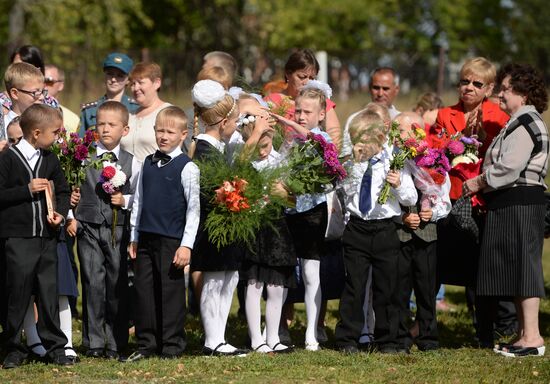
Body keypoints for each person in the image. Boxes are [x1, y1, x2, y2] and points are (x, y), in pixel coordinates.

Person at [465, 63, 548, 357]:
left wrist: (479, 182)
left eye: (505, 89)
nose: (500, 94)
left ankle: (534, 338)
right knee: (516, 269)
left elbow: (510, 168)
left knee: (525, 269)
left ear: (523, 94)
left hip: (522, 202)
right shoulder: (517, 122)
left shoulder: (526, 123)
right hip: (511, 203)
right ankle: (524, 334)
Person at [334, 109, 417, 354]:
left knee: (387, 287)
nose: (358, 144)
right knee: (354, 286)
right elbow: (344, 192)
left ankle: (389, 340)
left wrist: (398, 184)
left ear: (380, 138)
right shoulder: (352, 163)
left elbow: (410, 196)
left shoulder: (395, 161)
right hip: (358, 228)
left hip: (385, 229)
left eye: (362, 139)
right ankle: (348, 337)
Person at [123, 106, 199, 361]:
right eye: (160, 130)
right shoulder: (147, 162)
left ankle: (172, 344)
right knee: (144, 291)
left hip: (171, 240)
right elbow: (140, 200)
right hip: (145, 236)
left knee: (170, 293)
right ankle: (146, 343)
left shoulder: (187, 167)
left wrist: (186, 245)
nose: (164, 136)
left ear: (183, 134)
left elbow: (194, 211)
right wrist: (134, 236)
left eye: (170, 132)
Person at [0, 104, 72, 368]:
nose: (57, 136)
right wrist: (26, 189)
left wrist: (61, 216)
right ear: (36, 133)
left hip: (47, 238)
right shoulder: (7, 159)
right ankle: (12, 348)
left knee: (48, 293)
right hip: (17, 239)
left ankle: (56, 347)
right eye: (54, 132)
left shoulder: (50, 159)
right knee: (17, 295)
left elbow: (63, 191)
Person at [67, 101, 140, 359]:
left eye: (112, 125)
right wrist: (70, 212)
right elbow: (71, 191)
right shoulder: (82, 158)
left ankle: (116, 341)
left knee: (117, 283)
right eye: (101, 124)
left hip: (118, 230)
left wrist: (126, 201)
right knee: (92, 282)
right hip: (87, 227)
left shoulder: (133, 163)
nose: (105, 129)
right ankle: (94, 341)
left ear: (125, 130)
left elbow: (138, 198)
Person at [271, 84, 334, 351]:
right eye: (297, 111)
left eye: (307, 111)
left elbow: (328, 176)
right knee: (284, 271)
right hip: (289, 211)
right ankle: (274, 330)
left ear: (321, 114)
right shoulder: (290, 140)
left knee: (311, 273)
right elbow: (279, 168)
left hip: (311, 214)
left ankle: (311, 332)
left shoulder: (323, 141)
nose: (300, 116)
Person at [190, 79, 248, 356]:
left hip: (226, 225)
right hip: (211, 227)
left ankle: (220, 336)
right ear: (223, 122)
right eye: (235, 120)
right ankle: (212, 339)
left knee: (229, 278)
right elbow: (212, 192)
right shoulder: (205, 150)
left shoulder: (218, 148)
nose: (237, 125)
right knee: (214, 280)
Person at [238, 95, 296, 354]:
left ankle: (273, 336)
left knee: (275, 286)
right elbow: (236, 173)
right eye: (258, 144)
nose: (263, 150)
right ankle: (255, 338)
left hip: (276, 227)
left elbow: (294, 198)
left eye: (267, 143)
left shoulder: (280, 162)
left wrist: (283, 193)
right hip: (253, 227)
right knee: (253, 284)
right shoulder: (244, 161)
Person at [393, 112, 452, 353]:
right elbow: (384, 200)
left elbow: (443, 194)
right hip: (401, 231)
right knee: (400, 286)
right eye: (393, 132)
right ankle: (400, 336)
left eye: (401, 131)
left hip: (427, 232)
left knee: (427, 287)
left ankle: (428, 336)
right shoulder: (393, 159)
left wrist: (432, 212)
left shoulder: (432, 159)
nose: (396, 137)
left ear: (416, 131)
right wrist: (402, 216)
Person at [264, 49, 341, 149]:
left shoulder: (322, 102)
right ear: (288, 74)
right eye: (302, 77)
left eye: (312, 78)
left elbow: (336, 143)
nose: (307, 82)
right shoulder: (272, 101)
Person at [341, 67, 401, 157]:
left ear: (396, 89)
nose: (380, 93)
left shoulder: (403, 121)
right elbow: (346, 154)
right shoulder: (355, 119)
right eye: (376, 88)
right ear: (369, 87)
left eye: (385, 89)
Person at [120, 62, 171, 162]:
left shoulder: (169, 112)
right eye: (133, 84)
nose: (135, 88)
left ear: (157, 83)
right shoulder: (129, 115)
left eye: (140, 82)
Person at [79, 53, 139, 135]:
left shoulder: (136, 109)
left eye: (120, 76)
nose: (114, 79)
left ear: (128, 80)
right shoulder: (89, 111)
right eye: (110, 74)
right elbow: (80, 143)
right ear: (104, 76)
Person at [1, 45, 59, 110]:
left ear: (39, 69)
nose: (21, 71)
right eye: (17, 66)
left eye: (28, 67)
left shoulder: (51, 103)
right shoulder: (2, 102)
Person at [3, 62, 46, 128]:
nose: (42, 97)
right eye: (35, 92)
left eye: (42, 92)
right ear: (15, 94)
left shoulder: (45, 124)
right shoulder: (3, 126)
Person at [44, 64, 80, 134]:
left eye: (49, 81)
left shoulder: (74, 120)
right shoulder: (28, 113)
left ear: (60, 85)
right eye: (40, 81)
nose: (44, 85)